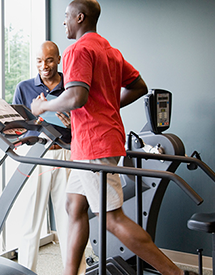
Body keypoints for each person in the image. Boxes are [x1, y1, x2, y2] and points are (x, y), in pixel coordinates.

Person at [30, 1, 195, 275]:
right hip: (90, 143)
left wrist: (42, 106)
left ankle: (175, 273)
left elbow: (75, 97)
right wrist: (107, 105)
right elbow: (138, 86)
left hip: (95, 143)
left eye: (66, 17)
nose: (64, 23)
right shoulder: (109, 50)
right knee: (74, 205)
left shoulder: (79, 49)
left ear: (79, 17)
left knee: (112, 218)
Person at [13, 41, 85, 273]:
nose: (44, 65)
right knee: (30, 221)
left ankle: (76, 272)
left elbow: (85, 124)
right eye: (39, 61)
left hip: (66, 153)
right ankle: (26, 270)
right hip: (37, 155)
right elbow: (18, 124)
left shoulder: (72, 88)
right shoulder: (24, 88)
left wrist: (70, 122)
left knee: (69, 220)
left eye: (49, 60)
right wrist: (20, 135)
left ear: (59, 59)